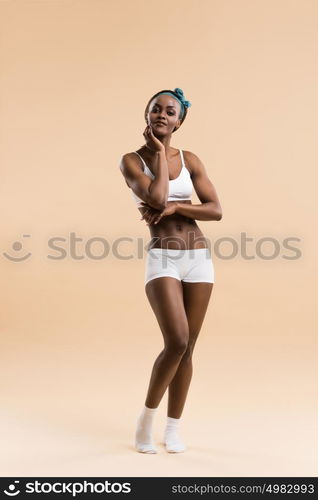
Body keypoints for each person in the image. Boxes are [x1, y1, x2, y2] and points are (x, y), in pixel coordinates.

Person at [119, 87, 222, 453]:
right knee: (175, 341)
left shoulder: (191, 159)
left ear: (179, 120)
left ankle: (174, 427)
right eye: (156, 109)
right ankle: (146, 419)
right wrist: (161, 154)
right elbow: (158, 197)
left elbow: (215, 209)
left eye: (171, 111)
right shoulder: (132, 160)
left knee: (189, 348)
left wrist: (179, 209)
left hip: (198, 257)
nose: (163, 114)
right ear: (147, 115)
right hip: (163, 256)